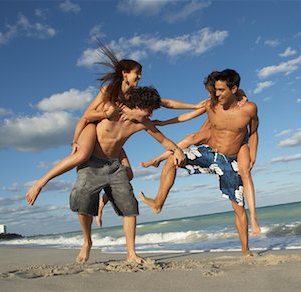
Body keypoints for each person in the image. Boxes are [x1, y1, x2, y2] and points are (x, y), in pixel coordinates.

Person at [25, 44, 202, 206]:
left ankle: (104, 201)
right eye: (136, 73)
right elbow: (86, 116)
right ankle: (41, 183)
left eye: (140, 73)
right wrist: (77, 139)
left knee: (128, 174)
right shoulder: (109, 91)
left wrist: (194, 106)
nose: (139, 76)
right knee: (82, 155)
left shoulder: (136, 96)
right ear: (125, 73)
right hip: (93, 126)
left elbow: (165, 103)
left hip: (113, 135)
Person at [31, 85, 186, 264]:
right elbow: (87, 116)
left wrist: (177, 150)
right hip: (91, 164)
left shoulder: (143, 123)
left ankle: (131, 253)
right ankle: (87, 241)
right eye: (148, 110)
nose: (150, 114)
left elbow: (163, 140)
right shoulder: (111, 110)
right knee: (83, 202)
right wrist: (76, 139)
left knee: (129, 207)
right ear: (137, 105)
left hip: (114, 165)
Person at [140, 69, 260, 255]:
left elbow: (253, 132)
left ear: (234, 89)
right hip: (210, 153)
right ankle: (158, 202)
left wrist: (253, 155)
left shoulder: (249, 108)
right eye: (215, 89)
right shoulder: (210, 105)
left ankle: (246, 251)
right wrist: (162, 123)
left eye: (221, 90)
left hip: (231, 161)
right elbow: (184, 117)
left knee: (238, 208)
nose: (216, 94)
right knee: (174, 158)